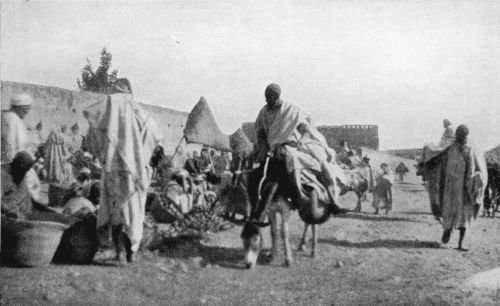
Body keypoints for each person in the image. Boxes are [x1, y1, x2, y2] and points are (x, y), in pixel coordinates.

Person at [92, 79, 160, 264]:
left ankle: (120, 251)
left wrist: (104, 154)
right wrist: (142, 155)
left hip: (114, 171)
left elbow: (94, 129)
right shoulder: (142, 114)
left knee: (115, 212)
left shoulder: (109, 110)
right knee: (134, 213)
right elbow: (155, 135)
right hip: (136, 173)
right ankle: (132, 252)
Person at [254, 83, 345, 213]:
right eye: (266, 98)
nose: (268, 101)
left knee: (298, 157)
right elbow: (260, 132)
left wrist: (301, 142)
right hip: (271, 148)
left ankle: (302, 193)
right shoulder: (263, 112)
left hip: (293, 146)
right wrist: (263, 146)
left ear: (277, 96)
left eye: (270, 98)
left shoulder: (291, 111)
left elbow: (306, 131)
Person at [440, 124, 481, 251]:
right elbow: (470, 170)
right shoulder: (465, 149)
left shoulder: (453, 148)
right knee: (460, 215)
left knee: (455, 213)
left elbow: (445, 167)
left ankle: (452, 234)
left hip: (454, 187)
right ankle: (455, 239)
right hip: (458, 187)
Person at [1, 151, 42, 220]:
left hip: (25, 215)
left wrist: (41, 207)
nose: (25, 173)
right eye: (24, 170)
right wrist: (8, 212)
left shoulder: (20, 174)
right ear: (17, 165)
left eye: (26, 171)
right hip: (9, 219)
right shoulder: (3, 175)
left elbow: (27, 196)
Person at [1, 94, 34, 164]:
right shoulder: (12, 119)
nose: (27, 112)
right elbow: (10, 147)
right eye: (27, 109)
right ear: (21, 107)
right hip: (12, 166)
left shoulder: (7, 116)